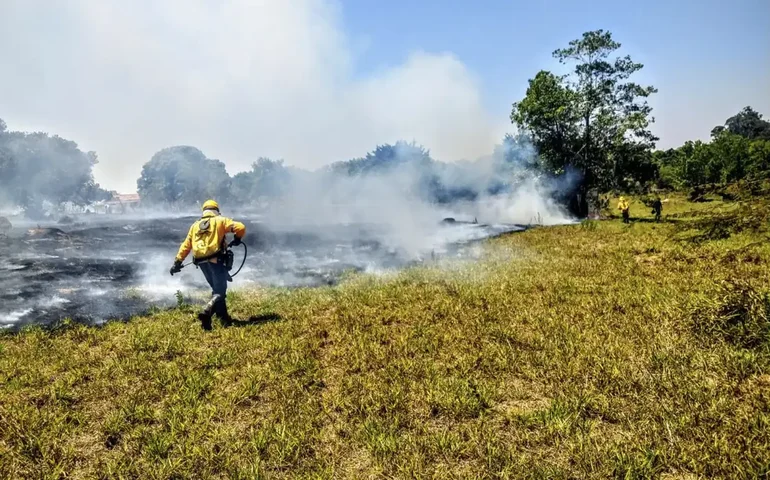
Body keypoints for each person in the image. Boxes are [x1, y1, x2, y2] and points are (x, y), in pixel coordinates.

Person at [170, 199, 246, 330]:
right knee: (220, 291)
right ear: (217, 210)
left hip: (201, 262)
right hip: (216, 260)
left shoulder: (195, 226)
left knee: (217, 289)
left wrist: (177, 262)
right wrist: (237, 239)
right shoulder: (220, 220)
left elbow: (186, 246)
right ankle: (207, 310)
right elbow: (240, 227)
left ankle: (223, 318)